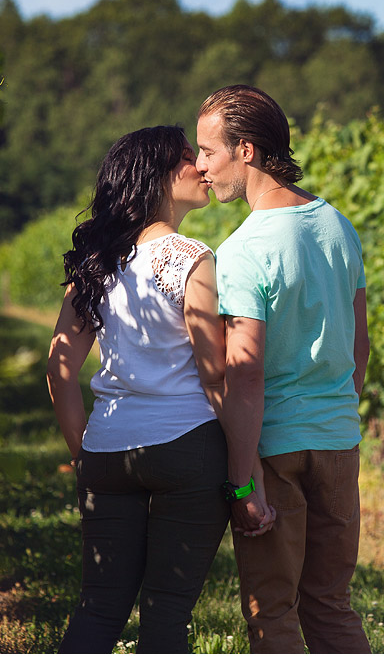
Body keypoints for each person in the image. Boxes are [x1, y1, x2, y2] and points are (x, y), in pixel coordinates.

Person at [45, 124, 275, 654]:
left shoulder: (95, 264)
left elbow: (59, 368)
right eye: (185, 160)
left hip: (108, 448)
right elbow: (215, 375)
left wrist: (84, 450)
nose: (199, 166)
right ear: (158, 178)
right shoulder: (190, 257)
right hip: (187, 448)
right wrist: (249, 477)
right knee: (167, 612)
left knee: (98, 608)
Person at [194, 85, 372, 653]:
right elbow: (360, 345)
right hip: (339, 442)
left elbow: (243, 374)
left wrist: (243, 479)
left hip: (276, 450)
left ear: (245, 151)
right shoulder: (338, 226)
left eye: (208, 152)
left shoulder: (244, 250)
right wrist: (339, 418)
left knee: (273, 615)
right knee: (331, 605)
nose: (200, 168)